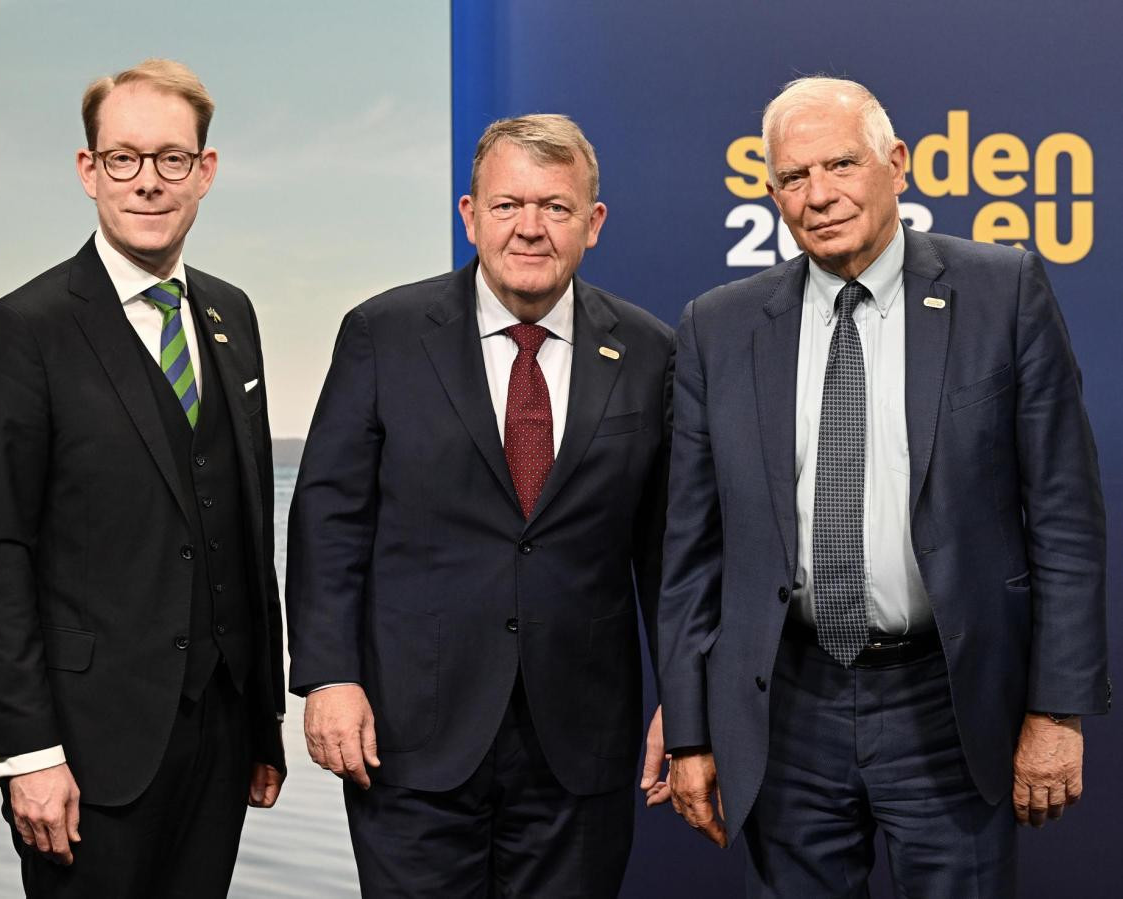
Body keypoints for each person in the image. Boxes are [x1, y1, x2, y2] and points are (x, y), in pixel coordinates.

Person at [658, 76, 1108, 896]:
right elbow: (691, 552)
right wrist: (690, 730)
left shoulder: (1003, 292)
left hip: (948, 701)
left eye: (840, 164)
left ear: (895, 164)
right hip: (784, 708)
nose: (819, 194)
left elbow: (1065, 518)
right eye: (794, 178)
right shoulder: (717, 327)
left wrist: (1057, 709)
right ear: (773, 194)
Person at [286, 113, 674, 896]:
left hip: (580, 744)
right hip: (410, 733)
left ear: (592, 223)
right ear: (470, 215)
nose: (530, 228)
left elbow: (669, 549)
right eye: (507, 206)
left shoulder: (648, 350)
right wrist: (329, 675)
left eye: (556, 208)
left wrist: (687, 699)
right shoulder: (383, 334)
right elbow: (329, 520)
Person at [0, 58, 285, 897]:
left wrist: (263, 724)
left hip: (220, 739)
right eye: (124, 159)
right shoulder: (19, 332)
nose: (148, 182)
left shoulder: (231, 314)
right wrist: (25, 752)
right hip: (83, 753)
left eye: (172, 159)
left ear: (205, 172)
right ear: (88, 170)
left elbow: (246, 530)